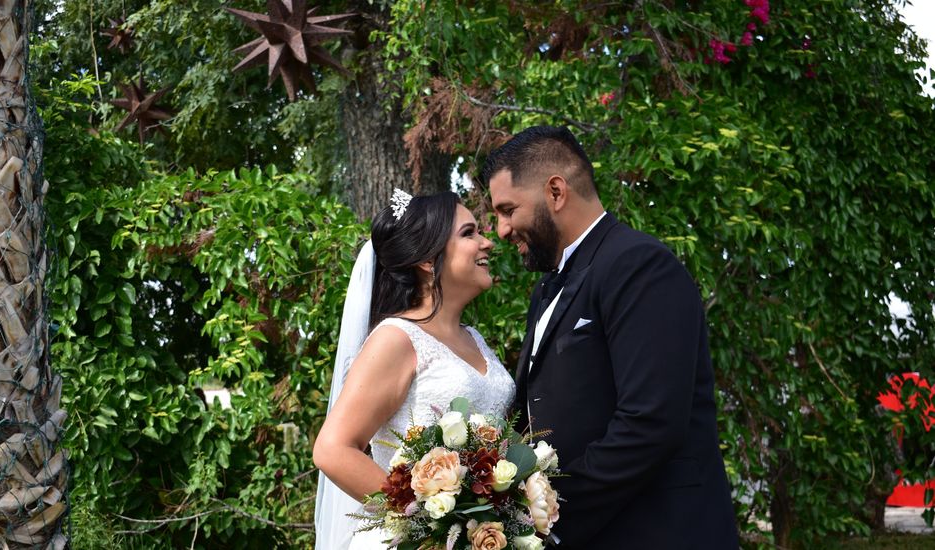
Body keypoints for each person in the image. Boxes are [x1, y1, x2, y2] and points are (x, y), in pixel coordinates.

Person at [483, 126, 739, 548]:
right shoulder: (547, 288)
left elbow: (649, 423)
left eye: (508, 209)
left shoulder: (639, 266)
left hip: (654, 531)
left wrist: (548, 517)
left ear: (556, 192)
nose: (502, 229)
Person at [312, 190, 516, 550]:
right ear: (427, 259)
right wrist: (425, 524)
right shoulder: (396, 339)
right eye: (468, 233)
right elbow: (332, 449)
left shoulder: (475, 339)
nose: (487, 242)